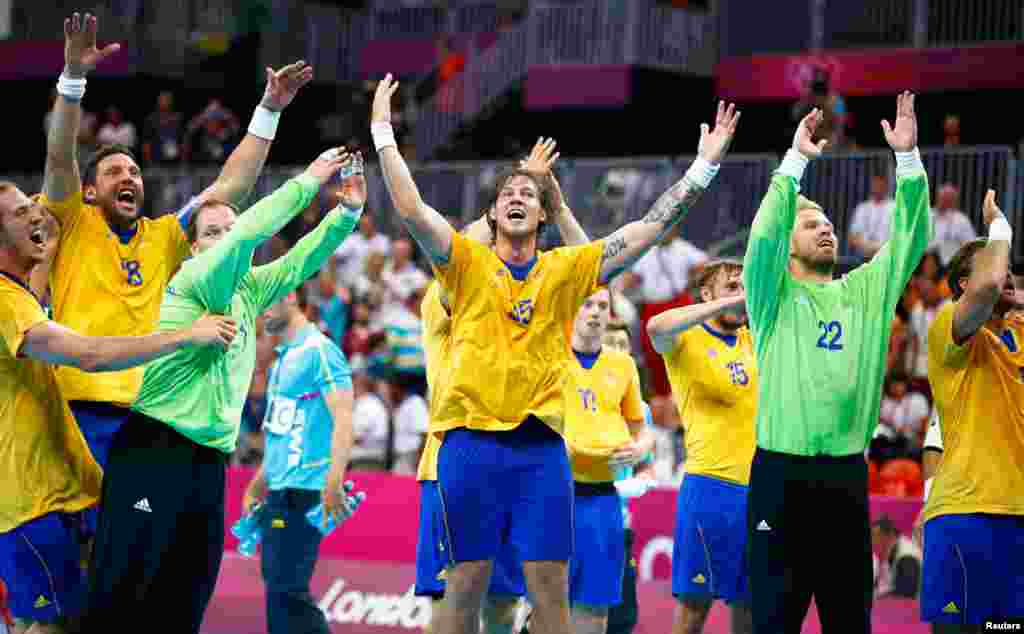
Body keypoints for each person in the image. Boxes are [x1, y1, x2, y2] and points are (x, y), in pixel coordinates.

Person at [373, 72, 739, 634]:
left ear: (544, 216)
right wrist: (383, 132)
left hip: (543, 452)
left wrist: (704, 168)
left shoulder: (566, 269)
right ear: (492, 216)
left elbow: (649, 228)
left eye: (529, 194)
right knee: (461, 589)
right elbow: (412, 207)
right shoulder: (466, 262)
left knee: (550, 597)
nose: (518, 197)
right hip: (468, 445)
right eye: (507, 195)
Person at [83, 148, 366, 632]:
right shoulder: (194, 280)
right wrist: (308, 180)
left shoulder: (249, 291)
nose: (226, 240)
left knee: (186, 595)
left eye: (228, 230)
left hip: (209, 463)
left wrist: (346, 213)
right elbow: (250, 232)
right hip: (155, 449)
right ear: (193, 248)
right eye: (212, 232)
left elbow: (301, 261)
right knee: (122, 594)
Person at [40, 12, 313, 476]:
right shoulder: (72, 221)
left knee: (130, 546)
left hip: (149, 413)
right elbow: (60, 155)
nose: (128, 177)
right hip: (78, 409)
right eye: (113, 172)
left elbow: (230, 188)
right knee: (75, 543)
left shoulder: (165, 236)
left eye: (134, 172)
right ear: (89, 190)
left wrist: (269, 111)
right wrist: (73, 77)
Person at [0, 184, 235, 634]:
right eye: (20, 213)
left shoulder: (23, 291)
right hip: (26, 503)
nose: (36, 215)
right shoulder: (5, 301)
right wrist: (186, 335)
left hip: (66, 488)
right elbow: (88, 355)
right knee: (46, 626)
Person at [742, 93, 930, 634]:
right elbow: (762, 239)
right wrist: (794, 164)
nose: (824, 228)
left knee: (850, 622)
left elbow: (909, 240)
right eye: (810, 224)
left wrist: (909, 160)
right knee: (774, 623)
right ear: (790, 245)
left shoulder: (865, 291)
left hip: (846, 480)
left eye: (827, 223)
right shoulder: (770, 297)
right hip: (780, 477)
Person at [920, 190, 1024, 628]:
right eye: (998, 268)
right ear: (966, 284)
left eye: (1012, 273)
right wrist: (999, 228)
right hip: (964, 515)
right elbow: (988, 287)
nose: (1009, 279)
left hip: (1018, 518)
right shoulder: (951, 327)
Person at [646, 259, 755, 634]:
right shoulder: (685, 340)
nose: (741, 296)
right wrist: (722, 305)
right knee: (694, 611)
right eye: (731, 287)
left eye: (745, 287)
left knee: (750, 608)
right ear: (707, 295)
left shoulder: (753, 339)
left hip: (758, 489)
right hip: (710, 487)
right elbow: (653, 327)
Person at [240, 284, 355, 634]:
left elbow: (345, 417)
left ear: (290, 296)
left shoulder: (320, 350)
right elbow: (279, 436)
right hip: (278, 492)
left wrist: (334, 480)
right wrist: (256, 486)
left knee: (287, 588)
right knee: (277, 590)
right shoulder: (282, 360)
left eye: (266, 303)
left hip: (305, 491)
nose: (261, 313)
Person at [562, 287, 651, 634]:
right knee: (546, 604)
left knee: (595, 606)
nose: (596, 312)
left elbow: (642, 432)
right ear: (571, 310)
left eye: (603, 305)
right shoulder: (547, 356)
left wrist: (640, 448)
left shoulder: (624, 365)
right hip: (553, 496)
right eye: (587, 305)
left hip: (603, 498)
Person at [871, 516, 921, 600]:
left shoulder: (907, 557)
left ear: (890, 535)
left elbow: (906, 593)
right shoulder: (889, 550)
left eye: (876, 536)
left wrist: (878, 598)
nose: (873, 541)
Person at [848, 173, 894, 260]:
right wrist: (865, 246)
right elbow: (852, 236)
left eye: (880, 185)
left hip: (886, 256)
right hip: (863, 256)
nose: (878, 188)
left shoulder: (894, 207)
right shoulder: (862, 208)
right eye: (875, 185)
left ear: (886, 187)